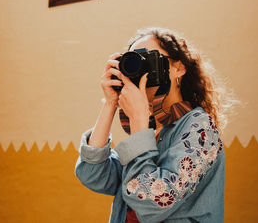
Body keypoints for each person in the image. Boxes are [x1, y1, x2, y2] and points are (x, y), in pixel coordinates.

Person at [75, 27, 234, 223]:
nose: (142, 72)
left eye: (149, 61)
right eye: (134, 63)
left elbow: (152, 201)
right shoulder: (147, 130)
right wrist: (110, 104)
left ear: (179, 68)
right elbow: (93, 175)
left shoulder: (200, 127)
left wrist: (139, 123)